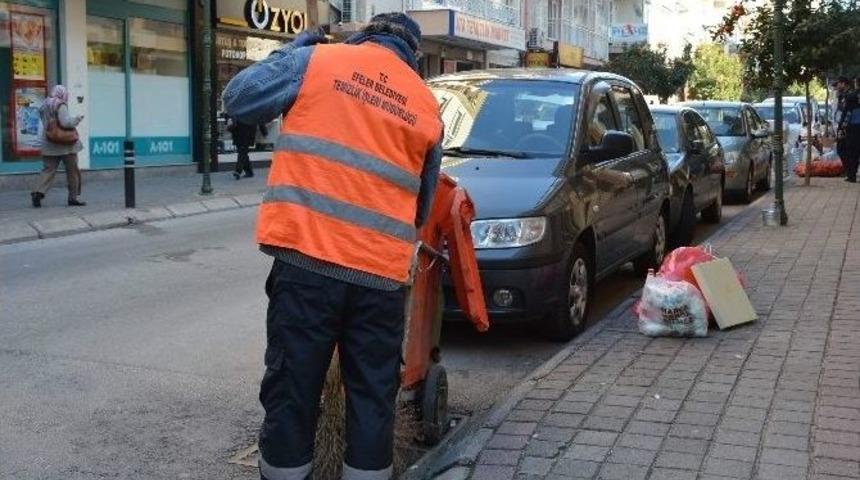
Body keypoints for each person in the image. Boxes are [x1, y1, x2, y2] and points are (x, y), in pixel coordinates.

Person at [222, 13, 442, 480]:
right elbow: (420, 209)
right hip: (380, 279)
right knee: (371, 400)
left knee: (292, 393)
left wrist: (289, 50)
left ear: (363, 37)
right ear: (412, 56)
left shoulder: (317, 61)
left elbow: (238, 100)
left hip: (307, 267)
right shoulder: (425, 103)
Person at [31, 85, 85, 208]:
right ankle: (73, 198)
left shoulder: (45, 105)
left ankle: (38, 193)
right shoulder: (60, 105)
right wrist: (76, 119)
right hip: (66, 144)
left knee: (48, 170)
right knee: (72, 171)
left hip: (49, 143)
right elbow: (65, 122)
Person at [835, 76, 860, 183]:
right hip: (854, 126)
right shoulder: (852, 95)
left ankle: (851, 175)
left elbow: (846, 113)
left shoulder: (851, 96)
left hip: (853, 127)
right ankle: (851, 173)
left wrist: (841, 127)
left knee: (850, 151)